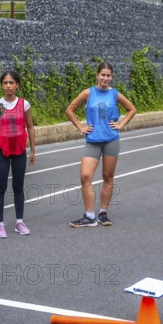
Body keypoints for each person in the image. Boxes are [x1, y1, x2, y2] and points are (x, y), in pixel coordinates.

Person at [66, 62, 136, 227]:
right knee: (85, 176)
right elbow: (70, 109)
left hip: (111, 140)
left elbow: (132, 109)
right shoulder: (88, 93)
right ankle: (90, 216)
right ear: (97, 75)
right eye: (102, 75)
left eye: (108, 75)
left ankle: (103, 213)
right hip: (93, 141)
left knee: (108, 177)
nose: (105, 78)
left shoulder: (115, 94)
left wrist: (120, 124)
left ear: (112, 76)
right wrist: (80, 127)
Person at [0, 70, 36, 238]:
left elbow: (30, 127)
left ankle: (19, 222)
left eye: (11, 82)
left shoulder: (24, 104)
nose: (8, 86)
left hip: (20, 151)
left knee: (18, 187)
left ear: (17, 85)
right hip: (2, 151)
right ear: (2, 86)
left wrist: (33, 150)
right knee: (0, 187)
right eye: (5, 83)